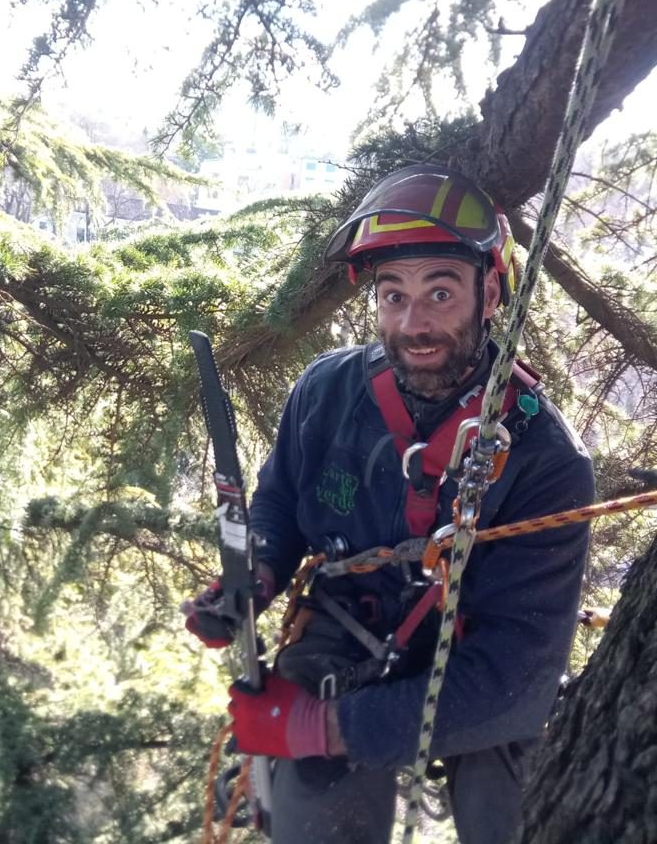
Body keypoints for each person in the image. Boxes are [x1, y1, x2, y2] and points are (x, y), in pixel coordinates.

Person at [185, 163, 595, 844]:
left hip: (476, 661)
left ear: (489, 292)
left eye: (440, 292)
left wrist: (322, 728)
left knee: (522, 813)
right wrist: (256, 575)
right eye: (392, 295)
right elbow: (281, 501)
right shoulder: (326, 394)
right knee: (318, 818)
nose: (413, 322)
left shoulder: (545, 461)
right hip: (349, 625)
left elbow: (515, 679)